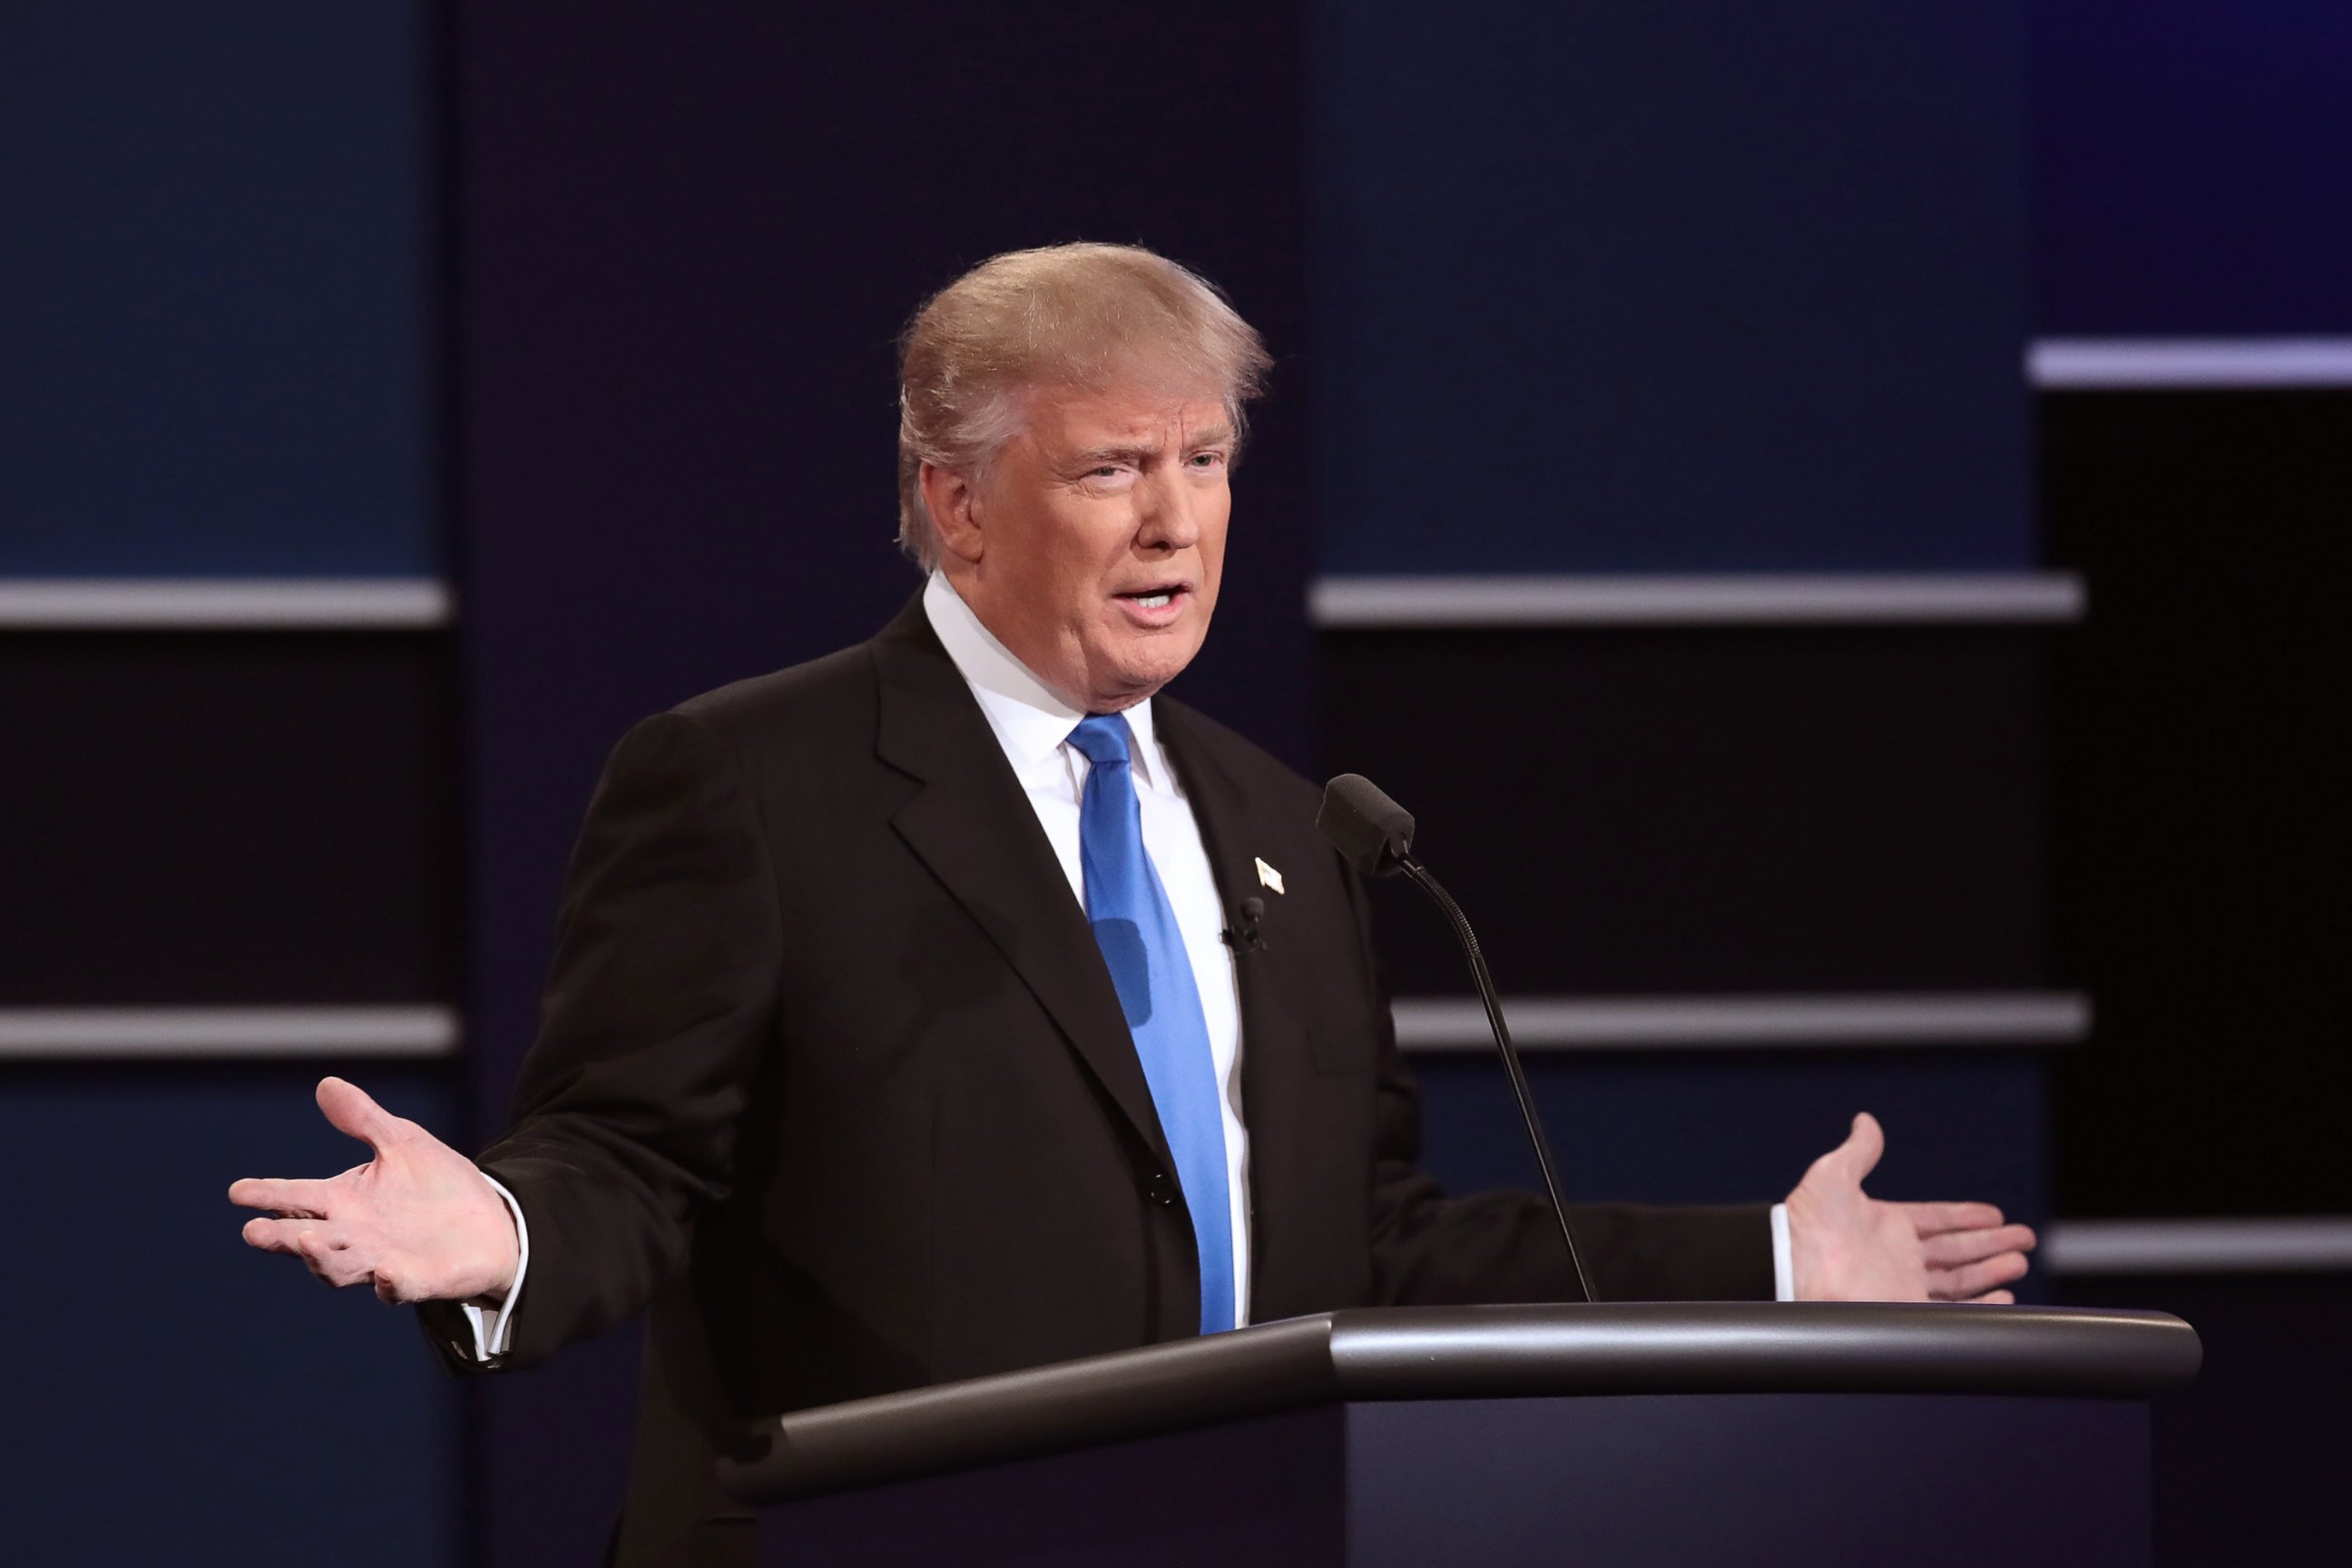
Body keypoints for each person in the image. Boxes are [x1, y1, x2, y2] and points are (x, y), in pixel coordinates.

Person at [230, 243, 2034, 1563]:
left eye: (1206, 462)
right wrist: (506, 1237)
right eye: (1110, 469)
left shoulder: (1291, 826)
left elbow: (1368, 1247)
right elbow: (632, 1158)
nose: (1175, 521)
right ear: (959, 507)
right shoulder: (751, 783)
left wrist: (1779, 1265)